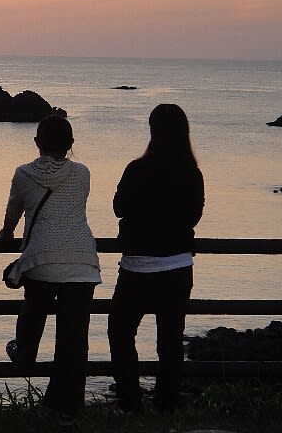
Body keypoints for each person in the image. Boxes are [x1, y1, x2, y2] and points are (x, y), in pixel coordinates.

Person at [0, 115, 100, 425]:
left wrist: (6, 232)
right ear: (71, 145)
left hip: (41, 259)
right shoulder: (82, 173)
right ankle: (67, 408)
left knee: (33, 311)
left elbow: (14, 209)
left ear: (37, 143)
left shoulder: (23, 174)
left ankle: (24, 352)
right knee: (73, 339)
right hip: (81, 261)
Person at [108, 103, 204, 413]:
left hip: (138, 266)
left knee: (120, 332)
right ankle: (165, 402)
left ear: (151, 130)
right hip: (177, 265)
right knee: (171, 340)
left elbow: (119, 207)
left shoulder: (137, 169)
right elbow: (193, 216)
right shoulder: (192, 172)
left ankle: (130, 400)